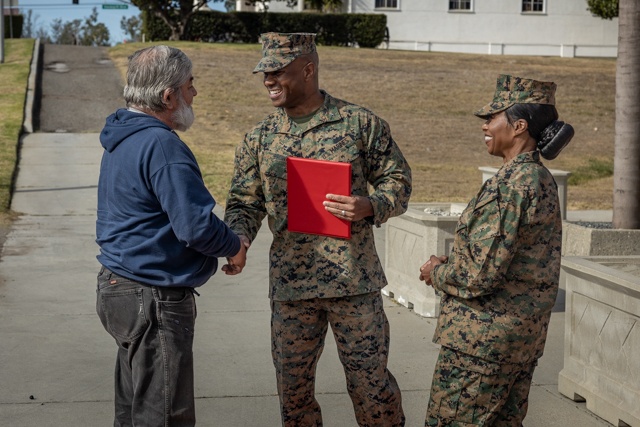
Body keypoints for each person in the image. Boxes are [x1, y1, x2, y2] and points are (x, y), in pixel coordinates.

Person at [224, 32, 411, 426]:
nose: (268, 81)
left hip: (353, 285)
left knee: (372, 390)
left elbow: (398, 180)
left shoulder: (359, 124)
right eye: (264, 73)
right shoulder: (260, 138)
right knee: (293, 397)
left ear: (308, 69)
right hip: (293, 290)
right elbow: (244, 202)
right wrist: (238, 238)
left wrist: (371, 205)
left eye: (277, 72)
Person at [95, 45, 247, 426]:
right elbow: (195, 227)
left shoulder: (123, 136)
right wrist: (234, 245)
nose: (194, 93)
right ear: (168, 96)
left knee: (133, 413)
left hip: (119, 289)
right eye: (190, 85)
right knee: (163, 416)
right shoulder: (161, 144)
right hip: (153, 298)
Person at [419, 74, 574, 426]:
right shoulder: (537, 177)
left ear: (519, 126)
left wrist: (436, 272)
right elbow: (512, 259)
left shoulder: (510, 185)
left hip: (480, 347)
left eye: (492, 118)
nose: (485, 126)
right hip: (516, 341)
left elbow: (477, 276)